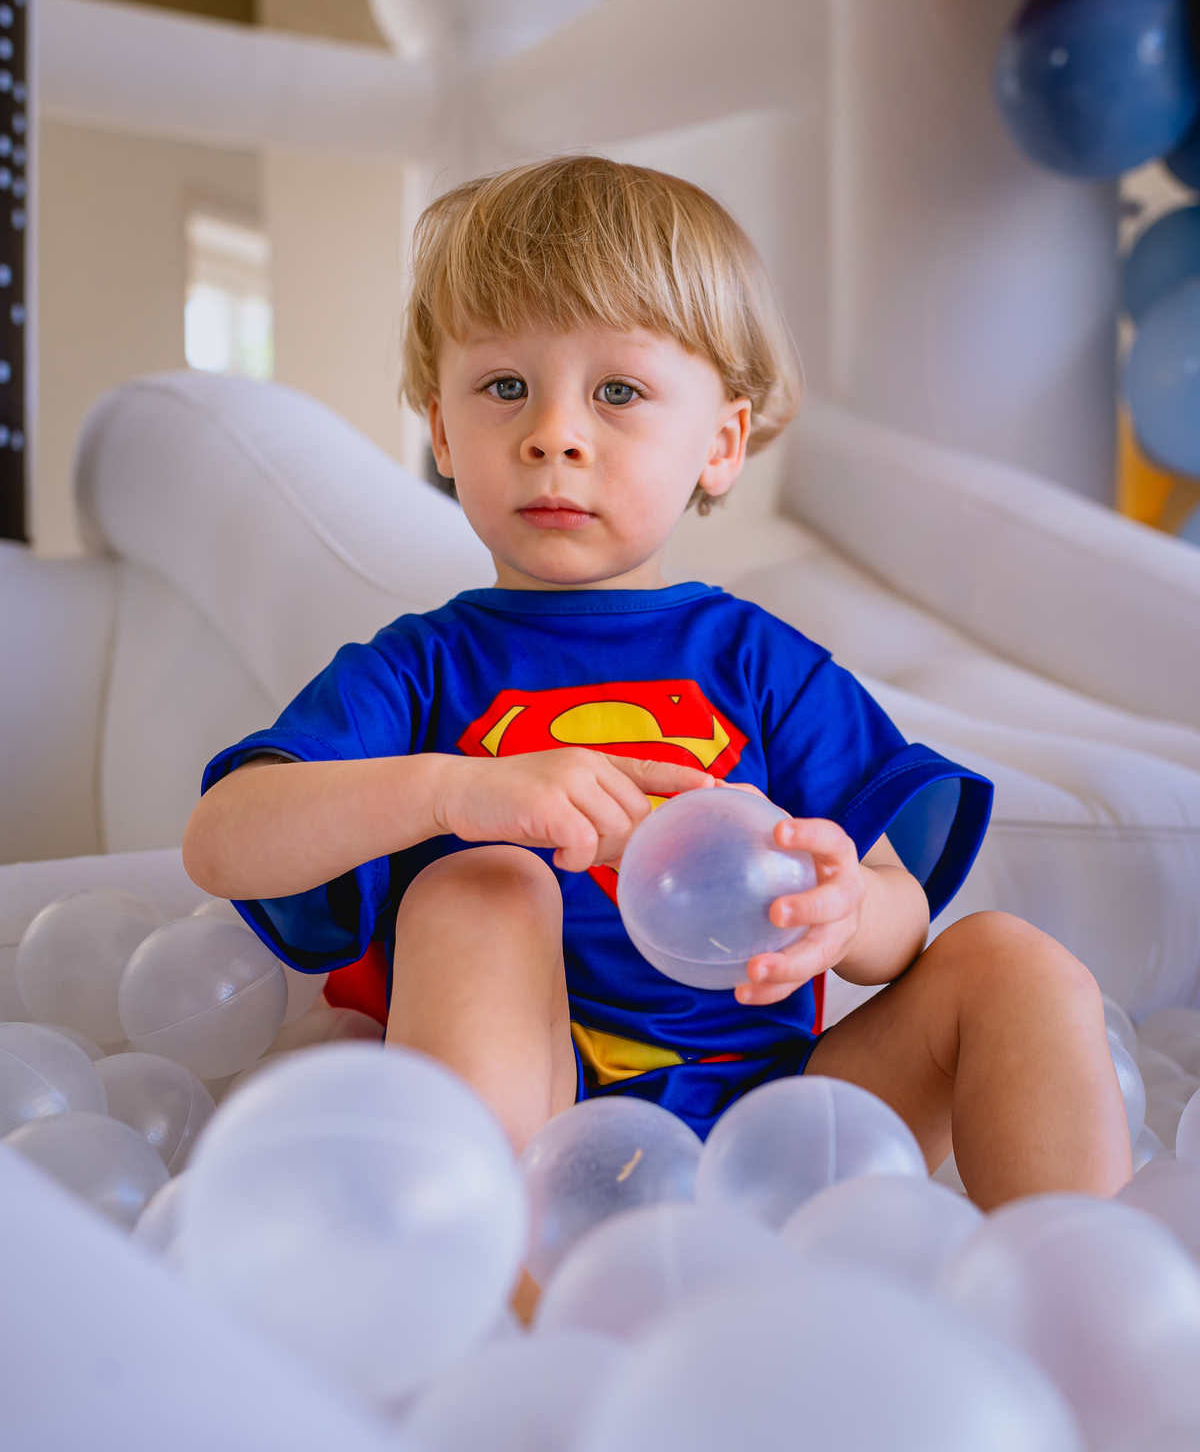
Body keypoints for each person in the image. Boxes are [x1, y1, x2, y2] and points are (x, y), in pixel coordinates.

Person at [183, 155, 1132, 1212]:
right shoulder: (419, 670)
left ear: (721, 443)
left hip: (779, 1144)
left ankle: (1074, 1271)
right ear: (443, 431)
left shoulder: (762, 667)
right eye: (505, 387)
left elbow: (898, 926)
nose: (553, 434)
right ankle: (505, 1276)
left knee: (1011, 960)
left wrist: (847, 907)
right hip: (542, 1161)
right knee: (479, 886)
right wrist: (451, 791)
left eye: (619, 392)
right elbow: (222, 838)